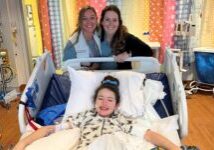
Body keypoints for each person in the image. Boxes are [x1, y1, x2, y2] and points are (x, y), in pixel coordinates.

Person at [14, 75, 181, 150]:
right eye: (100, 98)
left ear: (116, 105)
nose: (104, 103)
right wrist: (22, 144)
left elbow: (148, 135)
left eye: (110, 100)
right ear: (95, 102)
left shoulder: (121, 119)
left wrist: (174, 148)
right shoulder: (84, 116)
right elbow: (49, 130)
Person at [100, 5, 153, 70]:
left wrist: (129, 54)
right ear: (102, 22)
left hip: (122, 76)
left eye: (114, 20)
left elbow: (148, 51)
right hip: (98, 76)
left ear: (119, 23)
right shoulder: (96, 38)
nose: (111, 23)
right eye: (107, 19)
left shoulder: (126, 38)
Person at [63, 6, 101, 70]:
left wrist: (97, 64)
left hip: (98, 72)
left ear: (96, 19)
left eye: (92, 18)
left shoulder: (100, 34)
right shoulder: (72, 42)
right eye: (84, 18)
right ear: (80, 21)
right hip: (81, 75)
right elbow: (66, 66)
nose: (89, 22)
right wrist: (82, 65)